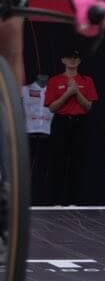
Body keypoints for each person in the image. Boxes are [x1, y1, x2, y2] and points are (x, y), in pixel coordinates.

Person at [45, 47, 97, 205]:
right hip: (61, 122)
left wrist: (77, 92)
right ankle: (56, 201)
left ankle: (74, 200)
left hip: (79, 123)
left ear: (79, 61)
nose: (72, 61)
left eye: (75, 58)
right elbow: (52, 107)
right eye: (69, 57)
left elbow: (88, 106)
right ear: (63, 60)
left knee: (77, 162)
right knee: (58, 162)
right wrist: (68, 93)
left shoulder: (87, 80)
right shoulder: (55, 80)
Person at [25, 70, 50, 204]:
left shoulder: (53, 91)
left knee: (42, 167)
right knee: (27, 166)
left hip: (46, 133)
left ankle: (39, 197)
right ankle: (25, 196)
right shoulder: (25, 90)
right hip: (29, 132)